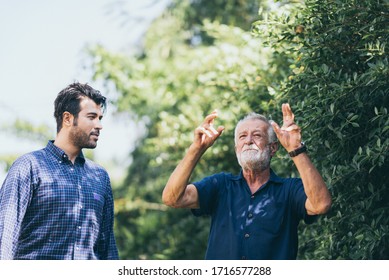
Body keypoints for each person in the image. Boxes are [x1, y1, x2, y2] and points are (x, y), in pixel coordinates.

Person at [162, 103, 332, 260]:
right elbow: (172, 198)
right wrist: (196, 149)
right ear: (237, 149)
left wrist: (296, 149)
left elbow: (321, 204)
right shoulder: (221, 185)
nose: (248, 141)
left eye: (257, 135)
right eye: (242, 137)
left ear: (272, 148)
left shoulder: (289, 190)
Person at [0, 82, 119, 260]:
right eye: (91, 117)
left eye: (100, 118)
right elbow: (5, 236)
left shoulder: (100, 177)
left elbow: (107, 247)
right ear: (68, 119)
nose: (99, 125)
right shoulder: (29, 167)